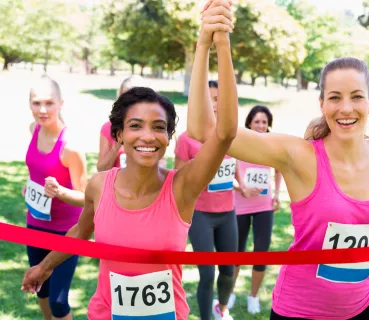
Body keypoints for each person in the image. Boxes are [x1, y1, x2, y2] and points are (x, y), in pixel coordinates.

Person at [20, 5, 237, 319]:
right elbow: (79, 233)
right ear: (118, 135)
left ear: (168, 137)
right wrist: (43, 267)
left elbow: (225, 132)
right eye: (135, 126)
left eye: (159, 127)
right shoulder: (99, 186)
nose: (147, 136)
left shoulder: (183, 186)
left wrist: (213, 44)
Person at [188, 6, 369, 315]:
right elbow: (203, 130)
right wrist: (208, 44)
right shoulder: (299, 157)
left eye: (356, 96)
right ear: (322, 103)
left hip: (364, 308)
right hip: (301, 310)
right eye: (334, 97)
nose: (346, 108)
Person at [23, 75, 88, 320]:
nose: (42, 110)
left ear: (61, 104)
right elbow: (37, 172)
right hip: (35, 225)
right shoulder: (34, 130)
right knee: (41, 290)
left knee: (59, 301)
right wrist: (28, 189)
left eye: (49, 103)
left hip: (66, 232)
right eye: (36, 103)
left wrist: (60, 192)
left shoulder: (70, 146)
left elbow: (85, 197)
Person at [175, 78, 238, 320]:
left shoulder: (231, 135)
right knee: (207, 274)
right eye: (209, 99)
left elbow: (233, 171)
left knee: (228, 272)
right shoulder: (187, 139)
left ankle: (221, 309)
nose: (214, 105)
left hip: (227, 212)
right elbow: (179, 181)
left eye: (219, 99)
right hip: (200, 214)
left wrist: (241, 184)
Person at [228, 105, 282, 314]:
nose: (260, 126)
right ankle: (230, 293)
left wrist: (276, 193)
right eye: (257, 121)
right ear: (249, 123)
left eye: (264, 122)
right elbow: (226, 171)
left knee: (261, 251)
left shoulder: (272, 145)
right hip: (240, 205)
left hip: (264, 207)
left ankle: (253, 296)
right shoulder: (238, 142)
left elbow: (278, 169)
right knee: (236, 253)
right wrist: (242, 187)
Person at [97, 75, 167, 171]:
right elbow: (101, 169)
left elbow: (161, 163)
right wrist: (117, 144)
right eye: (125, 98)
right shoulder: (108, 127)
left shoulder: (155, 126)